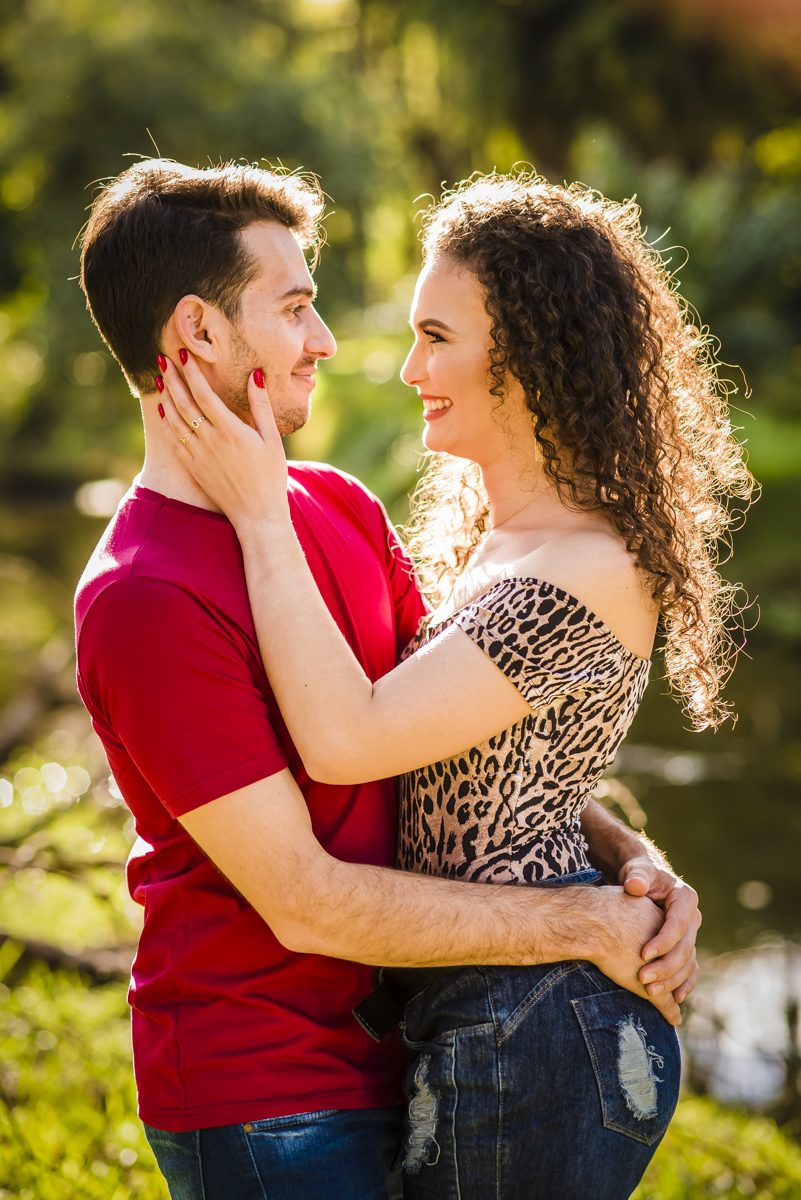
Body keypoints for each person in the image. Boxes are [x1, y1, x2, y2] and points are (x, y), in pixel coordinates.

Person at [75, 160, 701, 1200]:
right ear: (199, 333)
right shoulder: (145, 595)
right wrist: (583, 921)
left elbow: (467, 735)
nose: (326, 341)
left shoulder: (340, 508)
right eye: (295, 306)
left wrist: (635, 863)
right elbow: (308, 904)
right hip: (268, 1095)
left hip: (411, 1044)